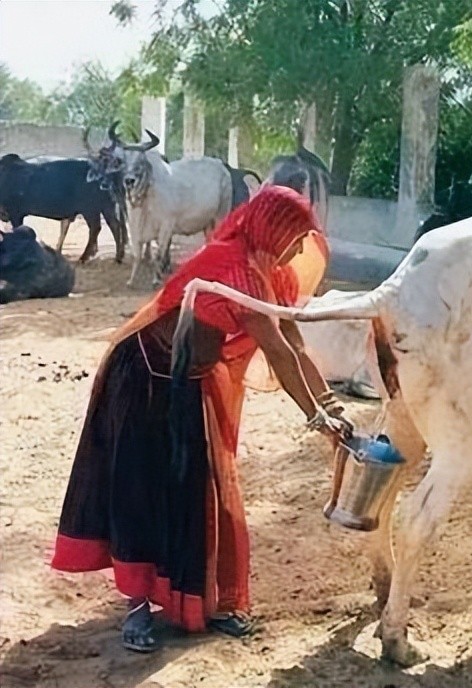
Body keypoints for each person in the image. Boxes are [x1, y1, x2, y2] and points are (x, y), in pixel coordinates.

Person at [50, 185, 352, 653]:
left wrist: (332, 407)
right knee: (141, 488)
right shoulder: (233, 268)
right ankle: (136, 608)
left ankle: (207, 604)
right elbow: (276, 352)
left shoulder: (274, 276)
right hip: (144, 375)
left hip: (189, 379)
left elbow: (295, 347)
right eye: (293, 239)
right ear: (272, 229)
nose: (297, 251)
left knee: (196, 493)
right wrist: (316, 420)